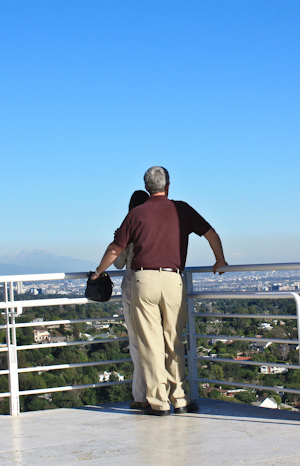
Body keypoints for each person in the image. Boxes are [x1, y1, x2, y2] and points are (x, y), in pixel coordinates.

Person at [90, 166, 228, 416]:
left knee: (150, 343)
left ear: (146, 187)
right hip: (173, 279)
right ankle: (181, 399)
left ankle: (159, 402)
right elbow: (211, 234)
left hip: (144, 280)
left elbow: (115, 249)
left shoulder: (136, 214)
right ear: (168, 185)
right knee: (173, 340)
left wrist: (99, 272)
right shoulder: (182, 209)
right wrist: (220, 260)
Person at [113, 189, 150, 409]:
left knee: (136, 344)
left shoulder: (129, 227)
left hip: (133, 287)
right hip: (161, 286)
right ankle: (162, 394)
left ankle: (140, 396)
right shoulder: (156, 226)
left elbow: (118, 264)